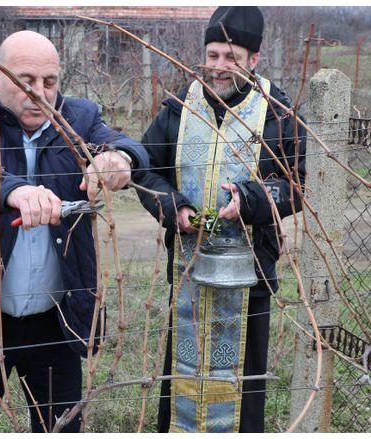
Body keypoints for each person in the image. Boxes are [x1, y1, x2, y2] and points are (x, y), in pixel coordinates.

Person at [0, 30, 149, 432]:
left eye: (50, 82)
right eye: (25, 80)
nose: (40, 93)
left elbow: (125, 145)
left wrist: (119, 158)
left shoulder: (78, 118)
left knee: (58, 427)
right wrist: (12, 190)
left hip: (55, 322)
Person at [136, 6, 306, 433]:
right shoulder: (179, 105)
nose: (219, 66)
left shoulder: (277, 111)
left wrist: (250, 201)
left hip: (250, 275)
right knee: (182, 375)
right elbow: (145, 170)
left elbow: (299, 182)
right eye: (212, 55)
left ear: (253, 60)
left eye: (231, 57)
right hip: (189, 269)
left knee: (242, 387)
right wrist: (174, 207)